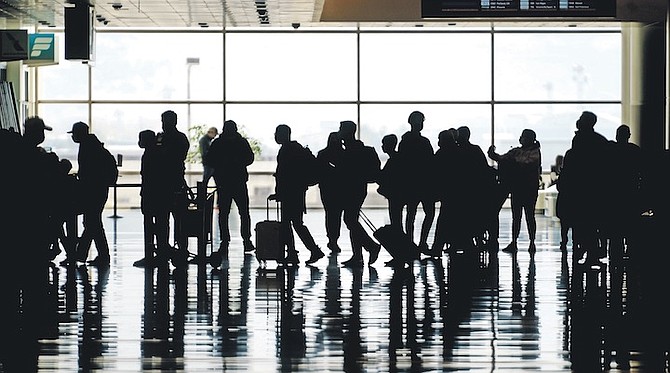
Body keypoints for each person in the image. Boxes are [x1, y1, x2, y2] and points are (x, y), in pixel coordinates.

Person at [559, 111, 610, 265]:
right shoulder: (600, 141)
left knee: (582, 223)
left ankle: (584, 251)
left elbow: (574, 168)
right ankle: (591, 253)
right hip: (594, 190)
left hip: (580, 191)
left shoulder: (579, 142)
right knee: (592, 223)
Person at [269, 124, 325, 265]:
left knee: (291, 223)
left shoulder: (287, 150)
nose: (275, 136)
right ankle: (299, 252)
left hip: (290, 193)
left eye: (277, 133)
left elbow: (285, 175)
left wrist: (280, 193)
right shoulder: (295, 149)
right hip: (297, 191)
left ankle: (302, 252)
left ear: (283, 134)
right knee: (294, 223)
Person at [205, 120, 256, 262]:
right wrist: (237, 161)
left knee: (224, 213)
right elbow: (249, 158)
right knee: (244, 212)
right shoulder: (241, 142)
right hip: (239, 181)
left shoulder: (218, 143)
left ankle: (225, 241)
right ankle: (246, 240)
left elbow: (209, 160)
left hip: (224, 182)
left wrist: (221, 165)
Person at [488, 129, 542, 254]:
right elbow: (504, 159)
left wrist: (494, 155)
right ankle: (528, 242)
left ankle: (518, 242)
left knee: (521, 216)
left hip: (520, 188)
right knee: (525, 216)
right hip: (528, 188)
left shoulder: (524, 152)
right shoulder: (533, 152)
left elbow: (505, 159)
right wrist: (494, 155)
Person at [70, 121, 116, 266]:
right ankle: (83, 254)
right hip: (98, 190)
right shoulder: (94, 146)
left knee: (92, 222)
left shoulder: (87, 148)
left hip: (93, 191)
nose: (73, 137)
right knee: (92, 222)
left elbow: (88, 172)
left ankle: (90, 255)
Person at [337, 120, 382, 267]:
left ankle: (370, 247)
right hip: (358, 188)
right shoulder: (360, 150)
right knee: (352, 220)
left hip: (352, 188)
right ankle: (358, 255)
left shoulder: (349, 151)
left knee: (350, 220)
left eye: (341, 130)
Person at [398, 111, 435, 255]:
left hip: (411, 184)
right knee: (429, 213)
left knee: (411, 215)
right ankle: (422, 242)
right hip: (424, 183)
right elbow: (431, 162)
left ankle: (410, 243)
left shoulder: (405, 142)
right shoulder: (424, 142)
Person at [134, 130, 171, 268]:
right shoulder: (160, 153)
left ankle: (151, 255)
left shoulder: (150, 154)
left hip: (151, 195)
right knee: (162, 224)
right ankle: (161, 254)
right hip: (161, 195)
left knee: (150, 226)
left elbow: (149, 176)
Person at [158, 110, 190, 264]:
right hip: (176, 182)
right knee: (179, 220)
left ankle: (165, 249)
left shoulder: (164, 139)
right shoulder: (181, 138)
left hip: (166, 184)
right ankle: (180, 249)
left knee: (164, 220)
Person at [430, 129, 460, 256]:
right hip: (458, 191)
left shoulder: (442, 154)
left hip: (447, 192)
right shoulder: (459, 152)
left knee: (443, 220)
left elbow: (434, 170)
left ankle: (437, 247)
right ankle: (454, 243)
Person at [317, 132, 345, 253]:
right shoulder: (344, 154)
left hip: (326, 188)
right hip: (340, 188)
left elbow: (318, 170)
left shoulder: (322, 154)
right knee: (337, 215)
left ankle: (332, 239)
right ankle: (334, 239)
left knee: (330, 214)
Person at [377, 134, 405, 228]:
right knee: (397, 218)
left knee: (395, 218)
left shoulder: (393, 161)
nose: (382, 146)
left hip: (395, 195)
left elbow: (384, 177)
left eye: (383, 144)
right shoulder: (398, 158)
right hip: (398, 193)